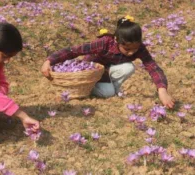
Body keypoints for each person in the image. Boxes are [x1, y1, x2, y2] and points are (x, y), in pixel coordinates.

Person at [41, 15, 175, 109]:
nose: (131, 52)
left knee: (129, 67)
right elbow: (74, 51)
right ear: (117, 40)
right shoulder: (104, 43)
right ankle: (88, 87)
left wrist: (162, 90)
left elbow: (152, 67)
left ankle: (109, 89)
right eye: (127, 49)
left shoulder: (138, 48)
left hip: (107, 71)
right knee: (108, 92)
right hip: (91, 72)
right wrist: (49, 61)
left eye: (135, 49)